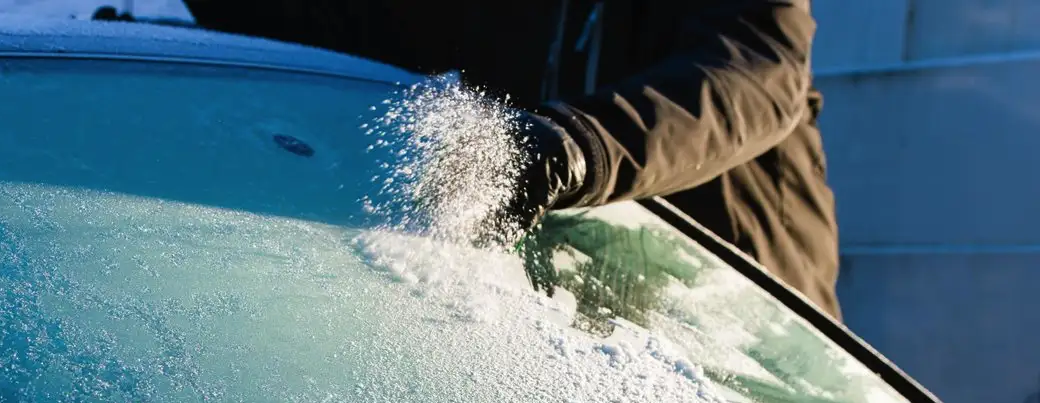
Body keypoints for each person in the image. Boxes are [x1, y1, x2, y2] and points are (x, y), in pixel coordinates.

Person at [191, 0, 840, 318]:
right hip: (586, 329)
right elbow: (343, 24)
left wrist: (575, 146)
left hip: (749, 314)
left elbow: (757, 72)